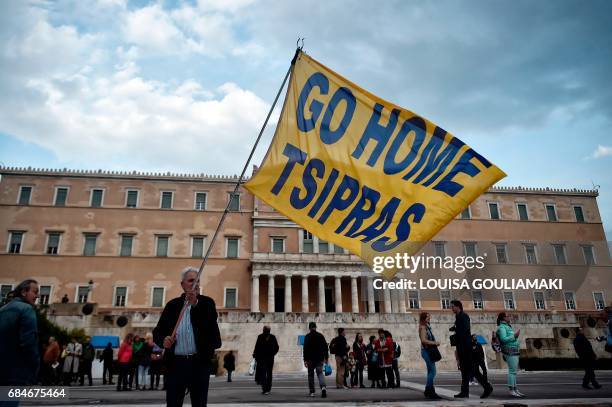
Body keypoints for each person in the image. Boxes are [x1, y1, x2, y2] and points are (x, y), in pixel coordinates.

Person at [153, 266, 222, 407]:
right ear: (182, 285)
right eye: (191, 281)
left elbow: (209, 324)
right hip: (176, 365)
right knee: (173, 403)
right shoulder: (172, 306)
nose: (194, 284)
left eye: (197, 280)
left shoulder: (207, 304)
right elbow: (158, 333)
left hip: (199, 364)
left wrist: (195, 304)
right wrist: (164, 340)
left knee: (199, 403)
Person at [0, 279, 40, 389]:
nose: (38, 296)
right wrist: (34, 369)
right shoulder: (27, 309)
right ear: (24, 292)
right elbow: (29, 343)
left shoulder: (2, 309)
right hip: (16, 371)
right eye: (35, 292)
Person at [451, 300, 492, 398]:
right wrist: (454, 329)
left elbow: (465, 330)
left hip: (466, 347)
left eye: (452, 306)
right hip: (462, 346)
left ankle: (487, 387)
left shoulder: (464, 316)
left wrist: (456, 331)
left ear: (458, 307)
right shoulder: (458, 317)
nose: (451, 308)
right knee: (465, 370)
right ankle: (464, 392)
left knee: (473, 370)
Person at [496, 312, 523, 397]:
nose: (509, 317)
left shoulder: (507, 326)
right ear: (503, 318)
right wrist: (514, 336)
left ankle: (515, 389)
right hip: (509, 350)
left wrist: (515, 337)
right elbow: (503, 339)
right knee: (512, 371)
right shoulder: (502, 327)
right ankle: (511, 389)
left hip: (513, 349)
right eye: (507, 316)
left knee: (514, 371)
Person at [419, 312, 441, 399]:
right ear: (423, 319)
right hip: (426, 351)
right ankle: (430, 390)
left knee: (430, 371)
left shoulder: (427, 327)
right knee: (433, 371)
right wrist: (434, 343)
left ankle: (429, 390)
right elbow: (423, 340)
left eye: (429, 317)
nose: (429, 319)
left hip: (428, 351)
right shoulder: (423, 328)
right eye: (427, 317)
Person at [302, 322, 328, 398]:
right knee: (320, 373)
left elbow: (305, 349)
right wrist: (326, 357)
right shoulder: (320, 336)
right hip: (319, 358)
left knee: (310, 375)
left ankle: (312, 391)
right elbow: (325, 347)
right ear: (315, 327)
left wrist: (305, 360)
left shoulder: (307, 336)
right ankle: (323, 387)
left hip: (310, 359)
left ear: (309, 328)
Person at [253, 325, 279, 395]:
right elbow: (277, 347)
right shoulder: (271, 337)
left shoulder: (261, 337)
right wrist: (273, 353)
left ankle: (266, 389)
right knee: (267, 374)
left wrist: (255, 355)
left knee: (266, 374)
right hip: (266, 359)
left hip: (265, 359)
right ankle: (266, 389)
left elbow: (257, 347)